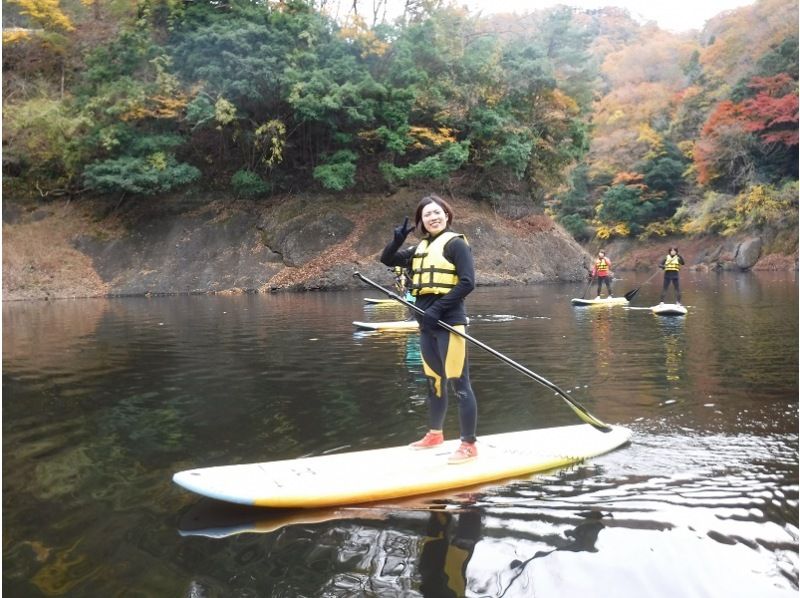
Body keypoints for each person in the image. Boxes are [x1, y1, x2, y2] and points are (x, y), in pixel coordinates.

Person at [381, 194, 479, 464]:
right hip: (426, 324)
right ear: (421, 221)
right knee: (434, 382)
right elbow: (387, 260)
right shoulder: (419, 249)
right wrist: (397, 240)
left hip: (450, 322)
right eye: (427, 215)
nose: (433, 217)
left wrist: (437, 309)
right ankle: (435, 434)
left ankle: (469, 444)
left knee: (460, 384)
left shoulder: (456, 244)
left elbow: (468, 283)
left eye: (437, 212)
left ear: (446, 215)